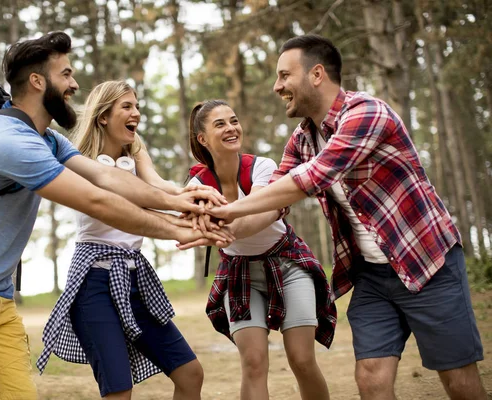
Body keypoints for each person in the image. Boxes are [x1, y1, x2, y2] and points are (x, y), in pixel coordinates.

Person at [0, 32, 231, 400]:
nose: (74, 84)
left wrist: (184, 203)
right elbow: (97, 202)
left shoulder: (49, 140)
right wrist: (177, 229)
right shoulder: (10, 140)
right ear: (39, 82)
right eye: (66, 74)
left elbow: (107, 179)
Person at [206, 34, 487, 400]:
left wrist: (226, 210)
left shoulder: (367, 113)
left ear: (317, 74)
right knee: (370, 377)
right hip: (372, 275)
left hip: (427, 263)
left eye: (284, 76)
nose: (277, 87)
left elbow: (311, 178)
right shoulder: (302, 138)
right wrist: (218, 228)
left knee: (460, 382)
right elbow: (270, 200)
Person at [37, 81, 228, 400]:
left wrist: (186, 194)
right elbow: (117, 196)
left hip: (134, 277)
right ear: (102, 116)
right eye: (126, 106)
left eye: (137, 106)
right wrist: (177, 210)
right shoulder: (82, 161)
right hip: (94, 282)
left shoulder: (135, 150)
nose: (136, 113)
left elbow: (155, 184)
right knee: (119, 391)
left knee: (190, 374)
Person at [179, 99, 336, 400]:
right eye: (220, 124)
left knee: (301, 359)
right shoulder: (198, 184)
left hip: (287, 264)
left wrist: (221, 229)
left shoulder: (262, 167)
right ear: (202, 138)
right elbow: (190, 224)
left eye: (233, 120)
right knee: (253, 363)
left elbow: (261, 214)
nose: (231, 128)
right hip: (240, 272)